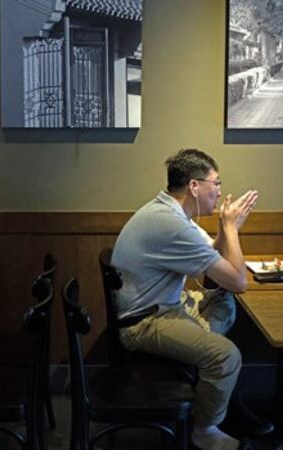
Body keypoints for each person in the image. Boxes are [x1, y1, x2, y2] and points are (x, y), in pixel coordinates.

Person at [111, 149, 265, 450]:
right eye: (216, 183)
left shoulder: (171, 212)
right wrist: (232, 228)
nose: (220, 192)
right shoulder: (170, 223)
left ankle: (216, 389)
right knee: (226, 355)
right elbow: (238, 280)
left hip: (167, 304)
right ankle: (204, 430)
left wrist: (223, 228)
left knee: (222, 302)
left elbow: (217, 267)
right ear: (194, 187)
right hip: (145, 321)